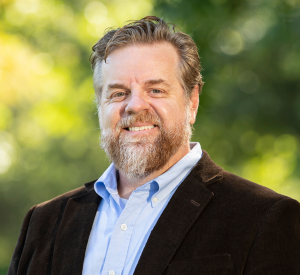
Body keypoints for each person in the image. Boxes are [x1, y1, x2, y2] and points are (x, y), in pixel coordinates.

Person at [8, 16, 300, 275]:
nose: (135, 106)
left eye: (155, 90)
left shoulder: (265, 218)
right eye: (119, 93)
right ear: (100, 105)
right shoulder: (43, 223)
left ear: (192, 101)